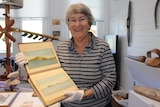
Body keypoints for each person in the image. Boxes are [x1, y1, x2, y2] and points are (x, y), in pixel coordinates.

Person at [15, 3, 116, 107]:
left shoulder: (102, 47)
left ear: (89, 23)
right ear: (68, 25)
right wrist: (29, 63)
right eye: (72, 20)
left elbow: (110, 79)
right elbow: (50, 71)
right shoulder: (61, 48)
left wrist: (84, 94)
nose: (77, 24)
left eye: (82, 19)